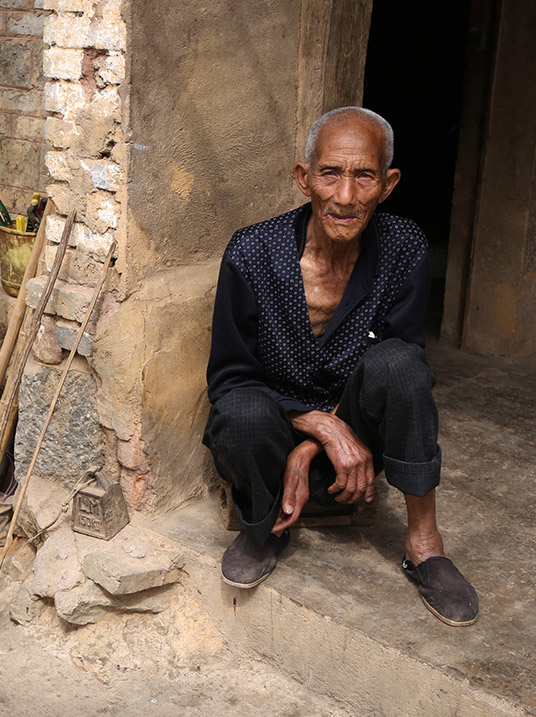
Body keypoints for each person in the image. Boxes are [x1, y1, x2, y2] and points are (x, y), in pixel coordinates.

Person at [202, 107, 478, 626]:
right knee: (241, 413)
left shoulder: (404, 247)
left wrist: (315, 446)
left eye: (364, 176)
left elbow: (398, 356)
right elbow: (229, 374)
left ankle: (424, 543)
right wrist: (316, 424)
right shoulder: (252, 251)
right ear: (304, 178)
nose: (346, 197)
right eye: (330, 173)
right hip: (272, 423)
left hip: (357, 431)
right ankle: (262, 526)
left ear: (388, 183)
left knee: (402, 366)